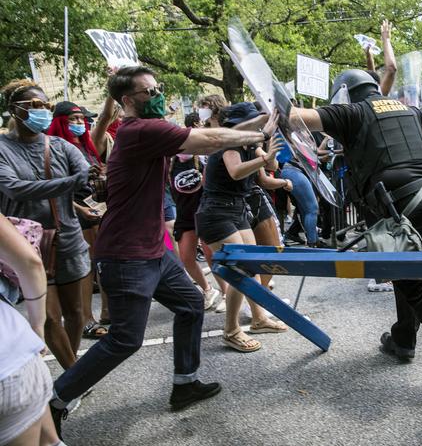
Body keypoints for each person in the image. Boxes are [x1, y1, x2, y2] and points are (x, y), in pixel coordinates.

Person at [49, 66, 279, 438]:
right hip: (126, 254)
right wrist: (261, 130)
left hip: (153, 249)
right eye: (148, 91)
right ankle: (54, 401)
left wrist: (265, 118)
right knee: (125, 338)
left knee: (190, 304)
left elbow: (213, 134)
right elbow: (207, 140)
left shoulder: (143, 129)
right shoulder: (141, 130)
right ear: (128, 101)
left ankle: (185, 383)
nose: (157, 95)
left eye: (158, 87)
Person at [291, 69, 422, 405]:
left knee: (414, 282)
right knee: (405, 269)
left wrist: (274, 104)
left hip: (399, 205)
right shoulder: (405, 108)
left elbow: (296, 118)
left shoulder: (351, 111)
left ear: (345, 94)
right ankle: (403, 338)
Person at [0, 80, 97, 371]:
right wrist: (70, 182)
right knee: (51, 317)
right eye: (34, 106)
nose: (41, 111)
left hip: (68, 240)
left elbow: (86, 175)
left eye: (46, 106)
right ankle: (73, 376)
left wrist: (90, 180)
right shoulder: (3, 148)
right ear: (14, 110)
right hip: (26, 244)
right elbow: (14, 188)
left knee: (77, 314)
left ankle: (70, 364)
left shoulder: (60, 145)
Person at [196, 103, 288, 353]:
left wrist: (268, 155)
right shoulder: (231, 144)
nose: (258, 126)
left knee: (251, 265)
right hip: (216, 213)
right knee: (239, 271)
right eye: (253, 122)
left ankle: (258, 318)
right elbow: (236, 172)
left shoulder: (251, 144)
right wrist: (263, 158)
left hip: (236, 210)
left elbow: (271, 169)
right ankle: (231, 331)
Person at [48, 101, 109, 339]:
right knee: (88, 265)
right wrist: (80, 209)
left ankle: (106, 311)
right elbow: (53, 188)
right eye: (72, 120)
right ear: (60, 122)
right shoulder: (54, 147)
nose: (78, 124)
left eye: (80, 119)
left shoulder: (86, 145)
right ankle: (85, 319)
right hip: (75, 214)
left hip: (99, 209)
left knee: (103, 262)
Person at [0, 214, 61, 446]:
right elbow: (30, 262)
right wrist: (37, 326)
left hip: (11, 366)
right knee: (49, 441)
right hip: (15, 359)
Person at [168, 112, 220, 311]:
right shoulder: (170, 165)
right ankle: (208, 290)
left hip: (204, 215)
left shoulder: (203, 162)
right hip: (184, 216)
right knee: (186, 258)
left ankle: (226, 291)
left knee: (211, 256)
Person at [365, 19, 397, 96]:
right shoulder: (378, 97)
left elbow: (371, 77)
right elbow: (391, 69)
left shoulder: (362, 100)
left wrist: (369, 57)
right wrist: (386, 39)